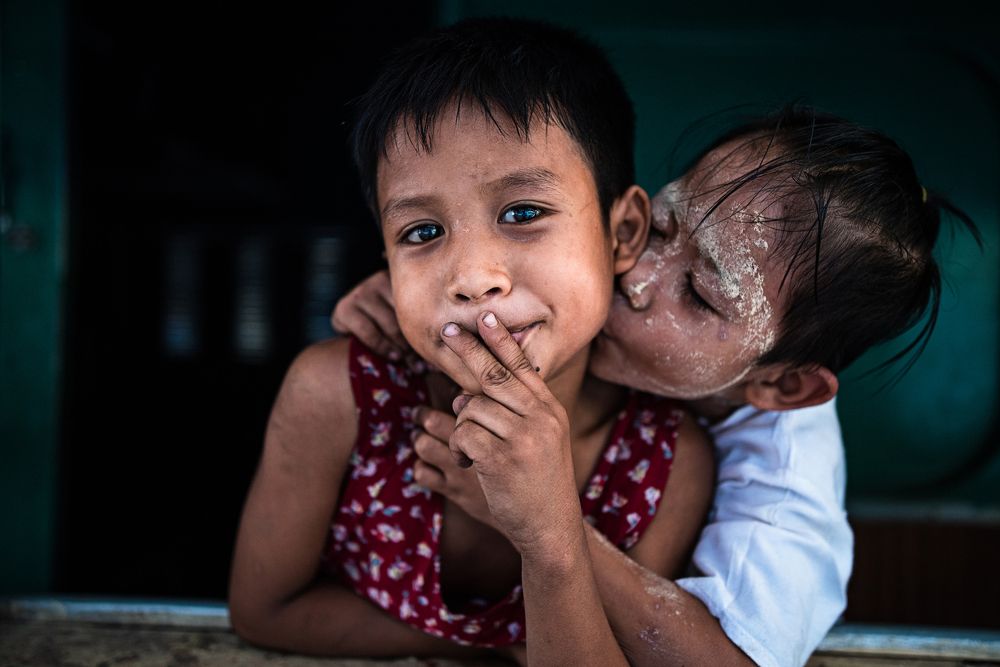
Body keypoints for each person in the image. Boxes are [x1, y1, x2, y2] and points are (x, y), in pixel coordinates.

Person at [331, 105, 981, 665]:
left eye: (698, 294)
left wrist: (540, 514)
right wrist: (426, 300)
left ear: (781, 386)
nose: (635, 274)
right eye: (661, 228)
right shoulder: (596, 273)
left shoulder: (784, 480)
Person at [228, 17, 716, 666]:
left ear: (622, 232)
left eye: (522, 213)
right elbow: (265, 609)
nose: (472, 278)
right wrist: (491, 642)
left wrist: (549, 533)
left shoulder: (663, 463)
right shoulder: (336, 395)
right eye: (423, 233)